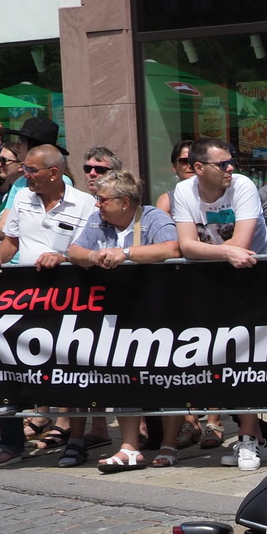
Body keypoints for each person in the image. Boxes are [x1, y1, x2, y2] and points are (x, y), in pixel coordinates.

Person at [0, 144, 100, 465]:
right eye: (23, 168)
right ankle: (12, 442)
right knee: (13, 368)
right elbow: (11, 242)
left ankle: (75, 439)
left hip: (71, 300)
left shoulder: (85, 203)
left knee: (72, 371)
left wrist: (62, 256)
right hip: (25, 299)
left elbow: (89, 248)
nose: (25, 174)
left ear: (54, 172)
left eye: (31, 170)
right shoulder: (21, 197)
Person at [64, 169, 184, 471]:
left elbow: (172, 248)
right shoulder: (98, 221)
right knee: (123, 375)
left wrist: (126, 253)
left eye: (103, 200)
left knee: (168, 377)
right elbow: (74, 249)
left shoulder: (154, 217)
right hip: (118, 315)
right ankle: (129, 446)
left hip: (160, 313)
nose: (97, 205)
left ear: (125, 202)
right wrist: (93, 257)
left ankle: (169, 444)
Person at [173, 136, 267, 470]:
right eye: (222, 164)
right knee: (222, 361)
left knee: (245, 360)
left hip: (253, 280)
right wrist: (225, 251)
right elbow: (187, 246)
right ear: (198, 168)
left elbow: (242, 245)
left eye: (232, 162)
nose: (231, 168)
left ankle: (246, 437)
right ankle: (257, 437)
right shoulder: (184, 191)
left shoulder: (242, 186)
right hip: (213, 280)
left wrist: (225, 251)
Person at [156, 138, 194, 218]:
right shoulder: (166, 201)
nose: (190, 166)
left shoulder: (216, 195)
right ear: (174, 167)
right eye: (184, 161)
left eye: (194, 161)